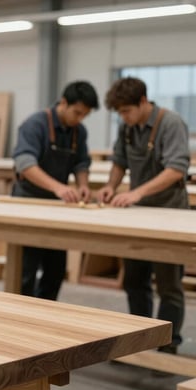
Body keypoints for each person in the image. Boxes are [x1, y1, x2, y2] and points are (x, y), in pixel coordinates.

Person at [98, 77, 190, 354]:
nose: (123, 117)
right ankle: (139, 339)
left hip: (169, 213)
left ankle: (168, 345)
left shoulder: (171, 123)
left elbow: (176, 168)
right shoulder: (127, 128)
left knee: (168, 283)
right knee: (134, 279)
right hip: (137, 214)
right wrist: (110, 186)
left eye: (126, 111)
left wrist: (137, 193)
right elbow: (119, 162)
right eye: (120, 113)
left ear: (142, 102)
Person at [12, 80, 99, 300]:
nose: (79, 119)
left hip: (57, 207)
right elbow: (24, 164)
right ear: (63, 102)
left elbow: (81, 163)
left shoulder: (79, 132)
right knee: (25, 270)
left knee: (55, 270)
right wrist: (58, 187)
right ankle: (19, 320)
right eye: (77, 113)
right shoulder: (35, 124)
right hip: (28, 203)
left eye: (84, 115)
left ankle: (44, 318)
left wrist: (83, 186)